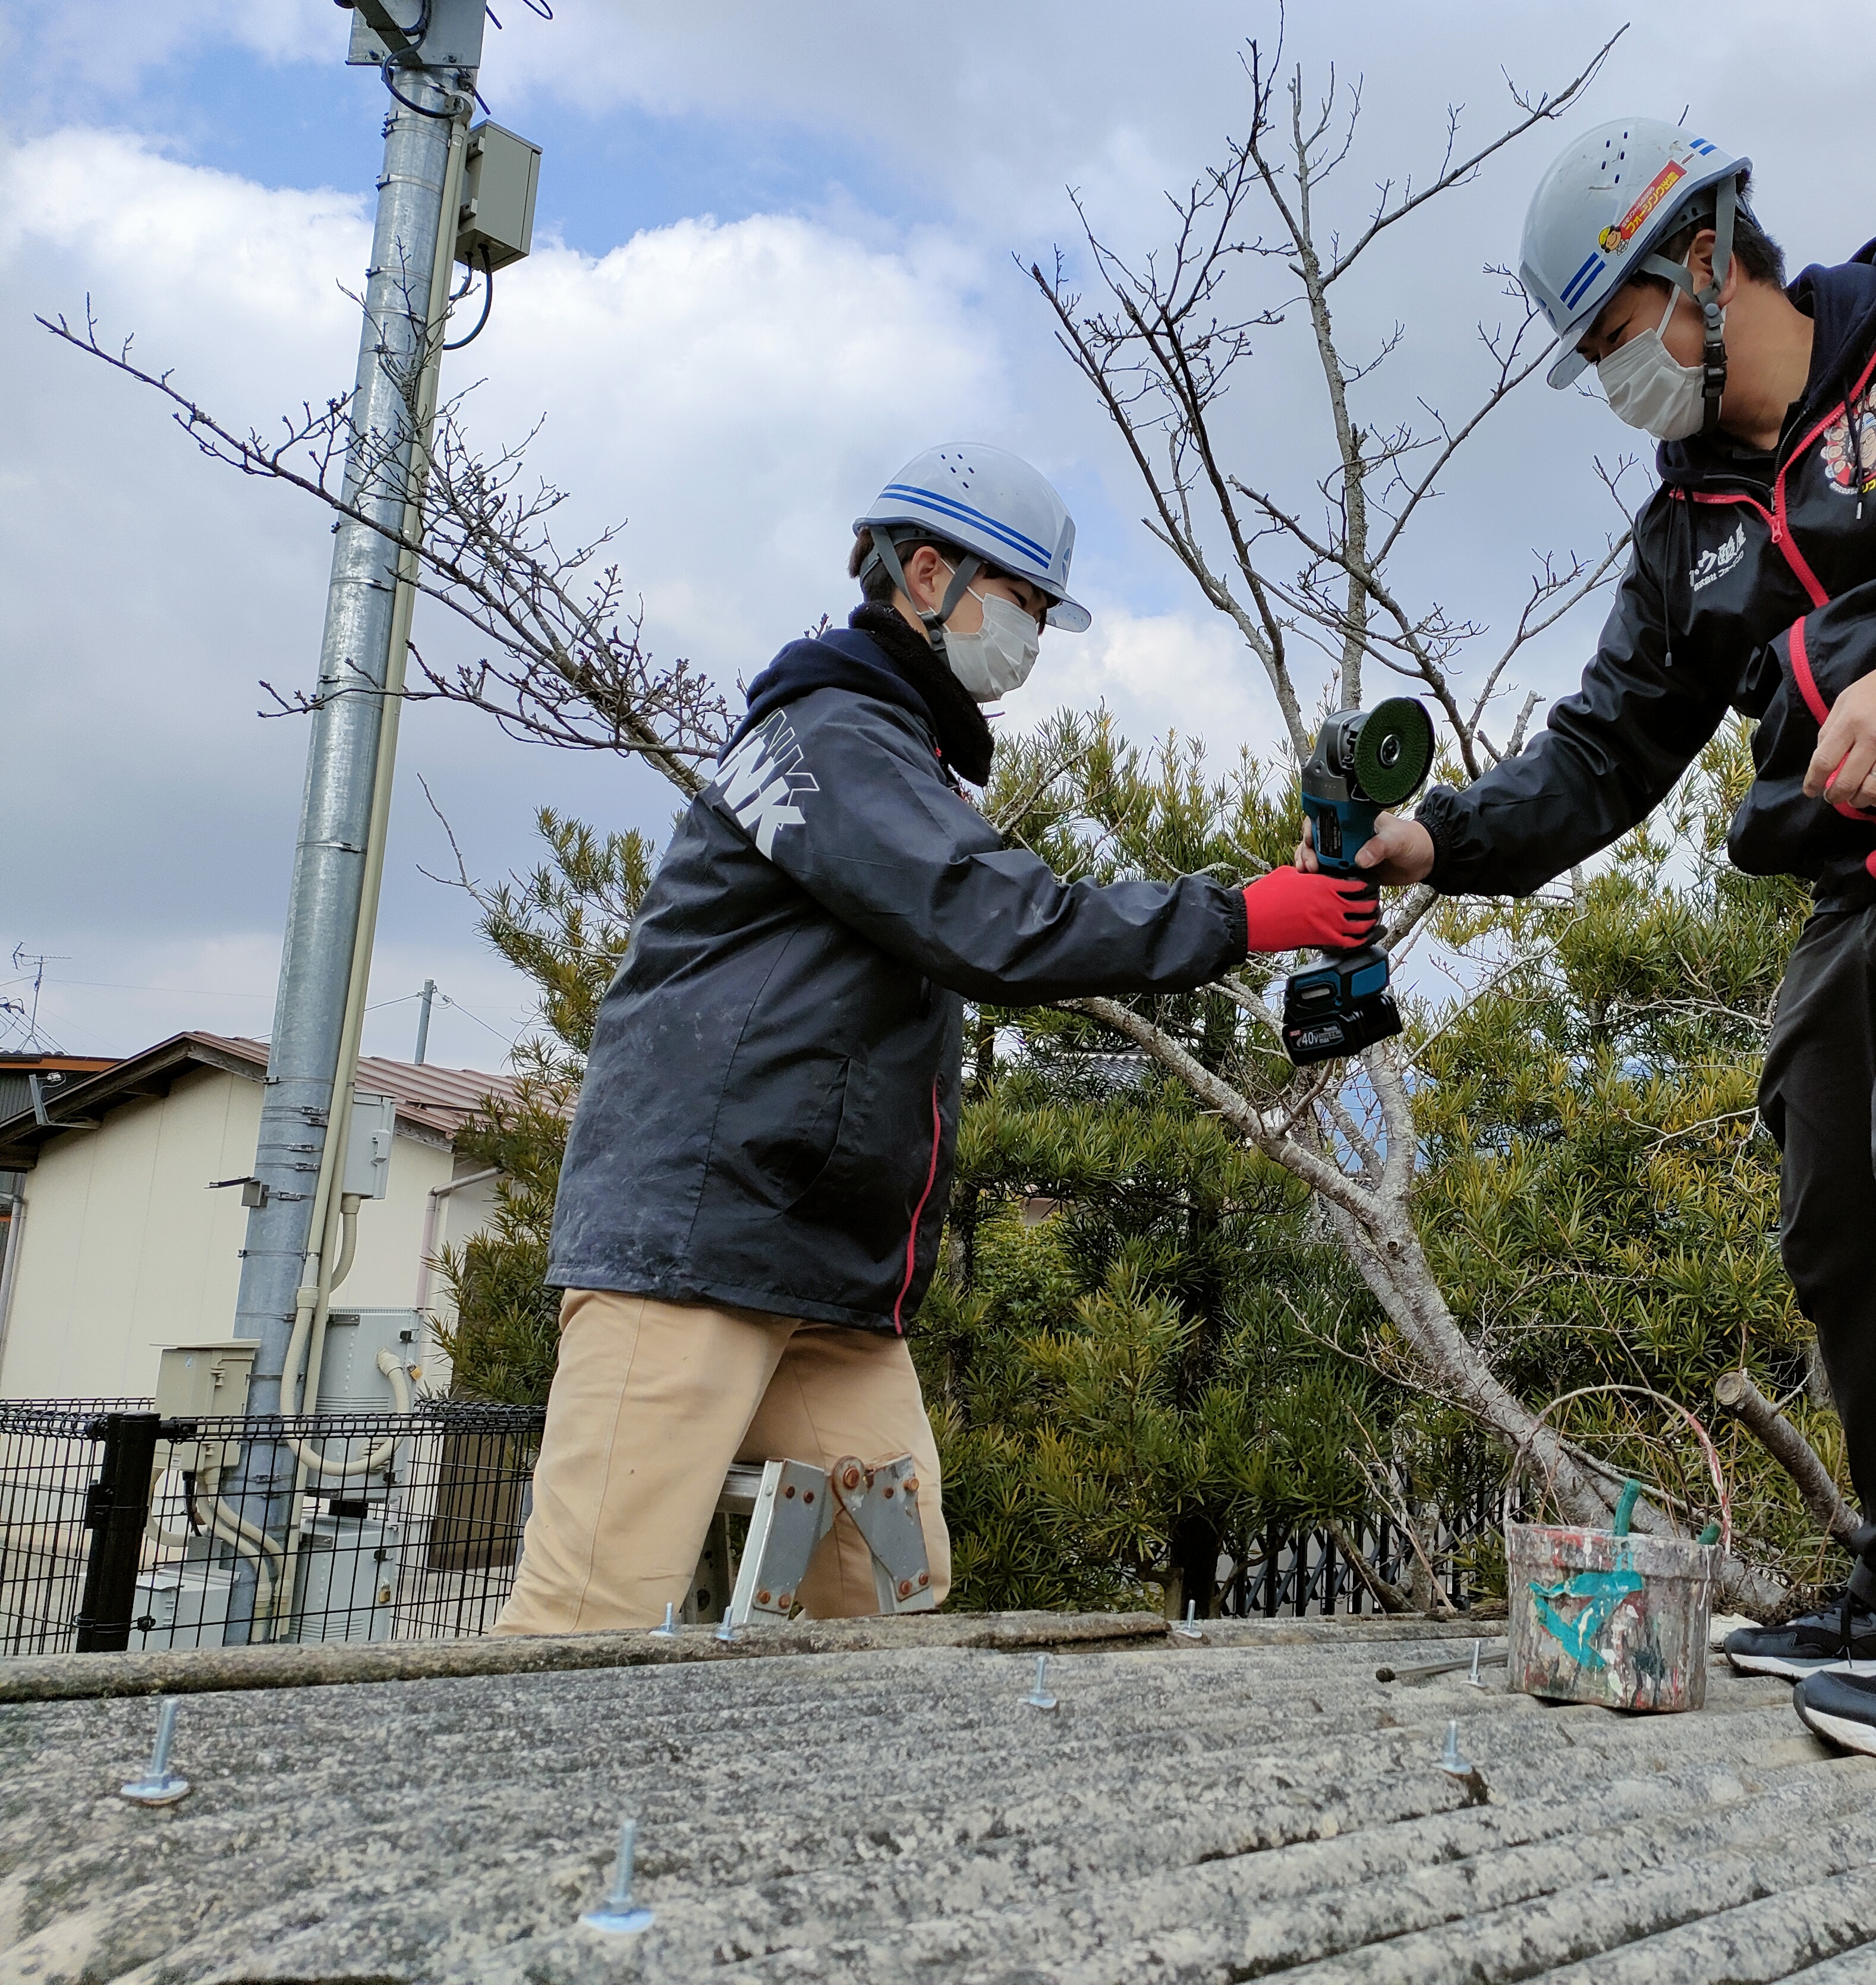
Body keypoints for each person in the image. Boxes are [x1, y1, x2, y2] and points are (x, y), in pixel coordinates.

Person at [1342, 122, 1876, 1782]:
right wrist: (1436, 835)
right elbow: (1603, 754)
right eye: (1585, 351)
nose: (1611, 375)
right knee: (1834, 1175)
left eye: (1614, 331)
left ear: (1710, 261)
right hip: (1863, 868)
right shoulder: (1692, 528)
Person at [494, 444, 1376, 1634]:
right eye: (1025, 605)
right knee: (584, 1626)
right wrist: (1242, 916)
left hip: (827, 1274)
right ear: (925, 576)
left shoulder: (885, 753)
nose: (1033, 640)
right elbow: (993, 918)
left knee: (886, 1602)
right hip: (691, 1246)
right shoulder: (833, 736)